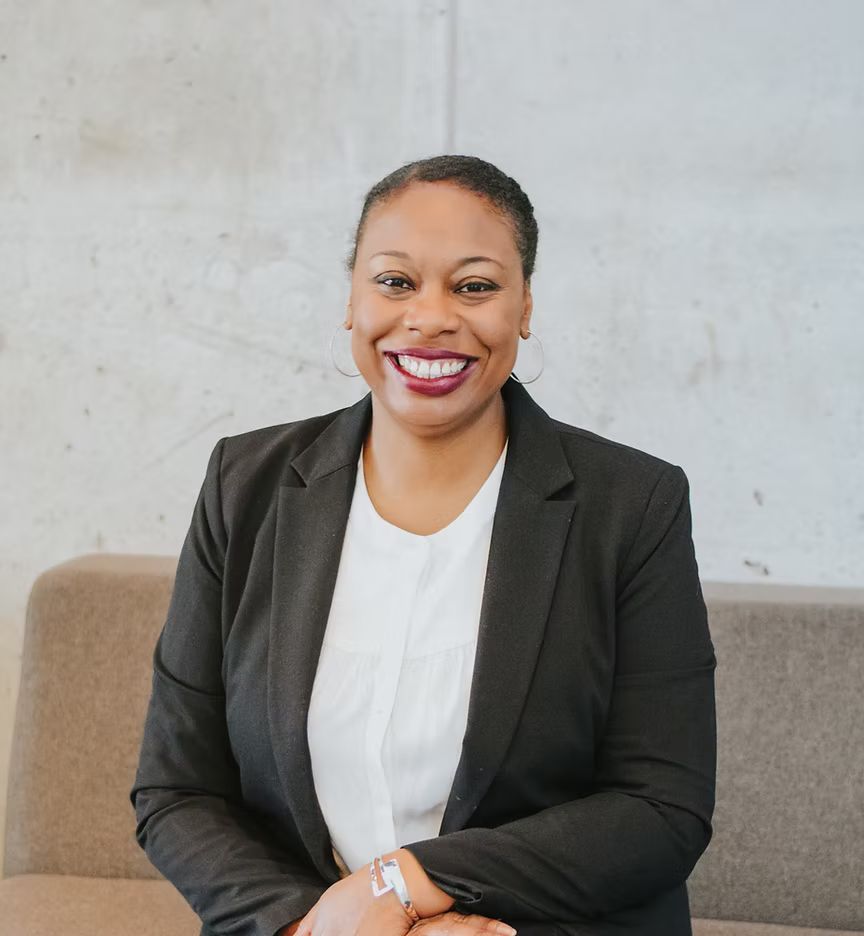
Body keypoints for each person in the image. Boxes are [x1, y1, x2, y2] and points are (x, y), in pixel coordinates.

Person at [130, 154, 717, 936]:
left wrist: (404, 886)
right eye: (395, 281)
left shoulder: (633, 505)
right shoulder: (246, 485)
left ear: (525, 306)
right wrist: (314, 928)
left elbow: (661, 806)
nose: (431, 316)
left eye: (474, 286)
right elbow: (176, 791)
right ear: (351, 299)